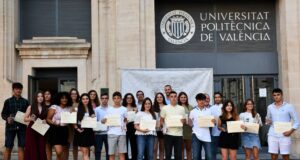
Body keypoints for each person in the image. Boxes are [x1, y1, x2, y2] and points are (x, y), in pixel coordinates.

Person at [265, 88, 300, 160]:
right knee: (273, 156)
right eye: (274, 95)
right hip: (272, 134)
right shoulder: (270, 107)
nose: (276, 96)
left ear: (282, 95)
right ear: (272, 96)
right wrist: (268, 121)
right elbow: (268, 119)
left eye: (278, 95)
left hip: (285, 134)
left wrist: (290, 131)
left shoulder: (289, 106)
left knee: (285, 156)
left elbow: (297, 121)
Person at [1, 82, 29, 160]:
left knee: (21, 147)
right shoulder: (8, 101)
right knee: (8, 147)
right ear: (13, 90)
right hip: (10, 127)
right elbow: (3, 114)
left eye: (20, 89)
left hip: (22, 127)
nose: (18, 90)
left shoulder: (25, 101)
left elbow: (28, 114)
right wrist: (7, 118)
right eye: (16, 89)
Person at [160, 91, 186, 160]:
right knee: (168, 155)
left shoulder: (181, 108)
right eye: (171, 96)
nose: (173, 98)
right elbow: (161, 120)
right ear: (169, 98)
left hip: (179, 134)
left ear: (177, 98)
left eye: (175, 96)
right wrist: (164, 127)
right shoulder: (165, 108)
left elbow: (184, 121)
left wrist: (183, 121)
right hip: (168, 134)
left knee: (178, 156)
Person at [46, 92, 72, 160]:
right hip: (55, 130)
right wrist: (54, 123)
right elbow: (48, 119)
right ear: (59, 99)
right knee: (59, 152)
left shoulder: (69, 108)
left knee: (63, 152)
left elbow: (72, 120)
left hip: (65, 130)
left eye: (66, 98)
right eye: (62, 98)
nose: (64, 99)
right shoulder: (54, 107)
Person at [102, 91, 127, 160]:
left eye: (118, 98)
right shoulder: (109, 109)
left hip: (122, 133)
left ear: (121, 99)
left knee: (122, 153)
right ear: (113, 99)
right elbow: (104, 120)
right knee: (111, 154)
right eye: (115, 98)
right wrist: (103, 120)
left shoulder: (124, 109)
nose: (116, 100)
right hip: (111, 133)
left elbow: (126, 120)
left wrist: (125, 123)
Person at [189, 93, 214, 160]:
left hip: (206, 135)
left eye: (203, 100)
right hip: (196, 135)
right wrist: (189, 122)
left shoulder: (209, 111)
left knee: (209, 156)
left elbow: (212, 123)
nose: (202, 101)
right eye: (200, 100)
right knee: (196, 156)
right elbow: (190, 124)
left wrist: (213, 122)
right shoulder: (192, 111)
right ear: (197, 101)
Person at [24, 91, 48, 160]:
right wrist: (31, 119)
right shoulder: (31, 107)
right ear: (36, 98)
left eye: (41, 96)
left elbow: (46, 119)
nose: (40, 98)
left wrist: (45, 121)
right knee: (32, 148)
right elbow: (25, 119)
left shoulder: (45, 107)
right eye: (38, 96)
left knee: (41, 148)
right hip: (32, 130)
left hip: (41, 129)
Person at [73, 93, 96, 160]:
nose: (85, 100)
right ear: (81, 100)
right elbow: (73, 121)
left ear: (89, 99)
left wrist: (93, 117)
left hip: (89, 131)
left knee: (86, 152)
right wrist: (77, 128)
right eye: (83, 99)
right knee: (85, 152)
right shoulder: (77, 109)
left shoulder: (91, 109)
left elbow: (93, 121)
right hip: (81, 131)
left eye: (87, 98)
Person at [95, 93, 110, 160]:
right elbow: (94, 121)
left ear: (108, 99)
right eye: (103, 98)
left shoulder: (111, 109)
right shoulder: (96, 109)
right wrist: (101, 121)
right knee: (98, 150)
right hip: (99, 133)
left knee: (108, 151)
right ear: (101, 99)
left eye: (106, 98)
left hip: (109, 133)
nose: (104, 100)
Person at [178, 92, 193, 160]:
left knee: (189, 148)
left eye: (184, 97)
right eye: (181, 97)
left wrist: (190, 122)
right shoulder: (176, 107)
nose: (183, 98)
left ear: (186, 98)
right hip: (179, 130)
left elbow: (193, 119)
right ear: (179, 98)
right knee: (181, 149)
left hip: (188, 130)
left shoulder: (190, 107)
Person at [123, 93, 138, 160]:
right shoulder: (122, 108)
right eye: (127, 98)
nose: (129, 99)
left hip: (133, 127)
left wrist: (136, 112)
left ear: (133, 99)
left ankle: (134, 158)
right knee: (124, 145)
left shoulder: (135, 108)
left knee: (134, 145)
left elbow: (137, 119)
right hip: (124, 127)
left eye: (130, 98)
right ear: (125, 99)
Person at [153, 92, 167, 160]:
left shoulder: (167, 107)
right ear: (156, 98)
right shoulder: (152, 107)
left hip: (163, 130)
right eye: (157, 97)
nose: (159, 98)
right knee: (154, 148)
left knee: (162, 148)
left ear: (163, 98)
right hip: (154, 130)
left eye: (161, 97)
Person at [210, 92, 223, 160]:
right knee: (213, 152)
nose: (217, 98)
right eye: (216, 97)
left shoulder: (225, 107)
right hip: (214, 133)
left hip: (224, 133)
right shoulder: (211, 108)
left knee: (224, 152)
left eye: (218, 97)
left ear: (221, 98)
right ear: (214, 99)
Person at [69, 88, 80, 160]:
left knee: (75, 145)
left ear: (77, 95)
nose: (74, 95)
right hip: (68, 127)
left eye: (75, 94)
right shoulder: (66, 103)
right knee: (66, 145)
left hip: (76, 126)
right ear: (70, 95)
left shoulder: (79, 104)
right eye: (72, 94)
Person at [44, 89, 53, 160]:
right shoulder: (41, 104)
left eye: (48, 94)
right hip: (42, 128)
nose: (47, 95)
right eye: (45, 94)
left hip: (52, 128)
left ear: (51, 95)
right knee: (46, 147)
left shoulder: (54, 105)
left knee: (51, 147)